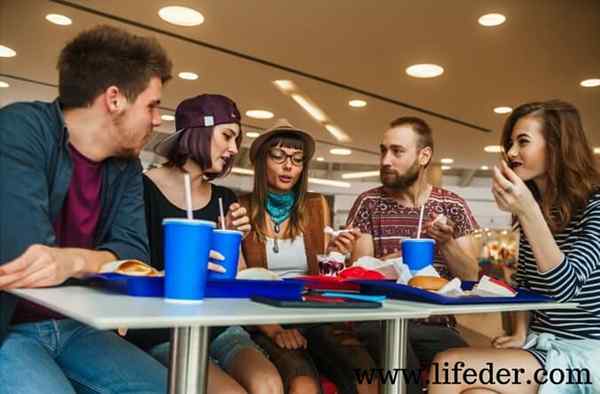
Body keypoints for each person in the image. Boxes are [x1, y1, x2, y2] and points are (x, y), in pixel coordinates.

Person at [0, 25, 172, 393]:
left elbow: (133, 254)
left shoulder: (126, 166)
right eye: (152, 105)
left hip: (75, 326)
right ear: (114, 99)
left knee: (169, 388)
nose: (157, 120)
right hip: (9, 327)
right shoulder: (19, 129)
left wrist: (73, 261)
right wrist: (98, 261)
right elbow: (27, 260)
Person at [429, 100, 600, 394]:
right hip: (540, 343)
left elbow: (565, 287)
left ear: (558, 146)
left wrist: (528, 210)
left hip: (584, 353)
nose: (510, 153)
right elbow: (500, 282)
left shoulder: (594, 207)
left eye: (523, 142)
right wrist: (448, 244)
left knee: (448, 367)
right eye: (510, 143)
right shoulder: (523, 218)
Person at [126, 94, 283, 394]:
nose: (234, 149)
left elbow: (235, 276)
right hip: (162, 330)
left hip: (218, 326)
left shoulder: (225, 200)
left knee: (269, 384)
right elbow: (133, 270)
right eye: (227, 136)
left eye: (237, 140)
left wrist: (233, 241)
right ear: (198, 131)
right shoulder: (141, 189)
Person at [239, 119, 377, 394]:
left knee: (368, 377)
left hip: (316, 315)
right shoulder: (242, 209)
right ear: (261, 161)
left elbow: (326, 277)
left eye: (297, 159)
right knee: (303, 385)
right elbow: (242, 284)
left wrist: (337, 252)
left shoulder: (316, 206)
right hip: (267, 319)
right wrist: (276, 330)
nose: (289, 166)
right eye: (279, 156)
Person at [346, 116, 480, 394]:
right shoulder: (368, 203)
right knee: (402, 371)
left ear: (424, 156)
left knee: (470, 372)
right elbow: (359, 274)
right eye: (383, 150)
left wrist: (447, 244)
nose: (385, 160)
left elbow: (471, 278)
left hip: (437, 324)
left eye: (397, 151)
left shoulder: (452, 205)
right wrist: (391, 264)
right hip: (379, 321)